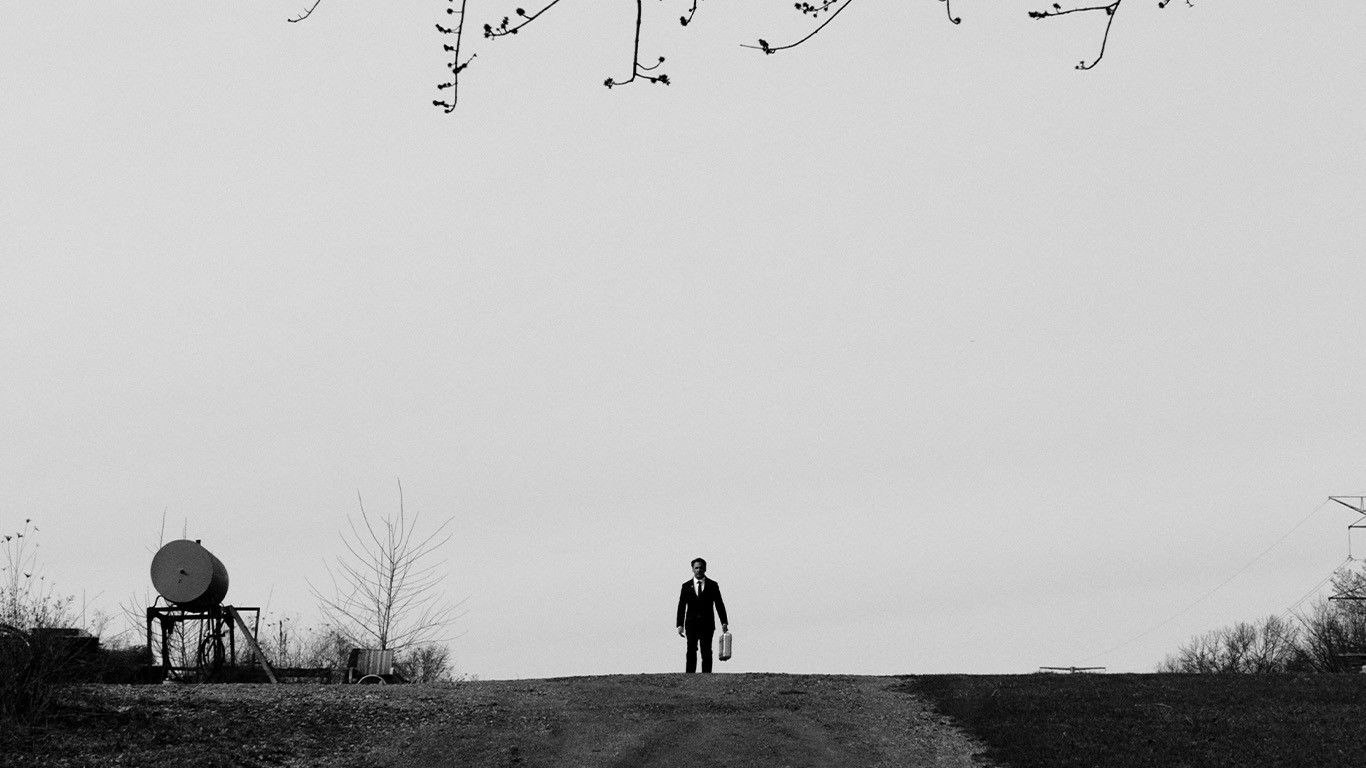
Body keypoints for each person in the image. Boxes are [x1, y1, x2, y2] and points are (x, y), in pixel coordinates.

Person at [675, 557, 728, 673]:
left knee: (706, 650)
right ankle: (690, 676)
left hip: (707, 624)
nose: (699, 570)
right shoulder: (686, 586)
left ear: (705, 569)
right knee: (691, 650)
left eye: (701, 568)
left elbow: (719, 604)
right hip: (691, 624)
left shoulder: (712, 585)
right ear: (692, 569)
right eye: (696, 568)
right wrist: (679, 625)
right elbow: (681, 606)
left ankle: (706, 677)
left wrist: (724, 622)